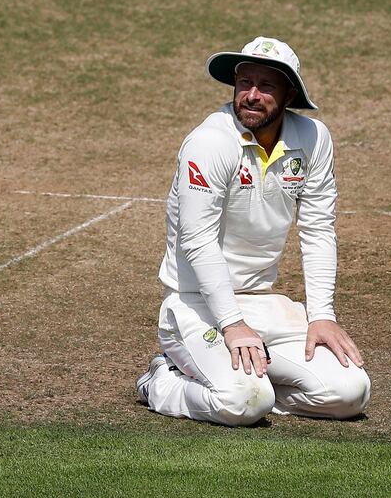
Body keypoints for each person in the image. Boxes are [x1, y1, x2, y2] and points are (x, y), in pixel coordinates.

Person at [136, 36, 370, 426]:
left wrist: (322, 316)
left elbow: (318, 229)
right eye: (245, 83)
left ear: (289, 93)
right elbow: (197, 240)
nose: (252, 95)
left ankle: (251, 381)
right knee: (242, 403)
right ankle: (160, 379)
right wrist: (232, 324)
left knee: (350, 394)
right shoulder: (209, 142)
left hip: (264, 303)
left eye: (267, 86)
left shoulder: (314, 138)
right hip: (196, 306)